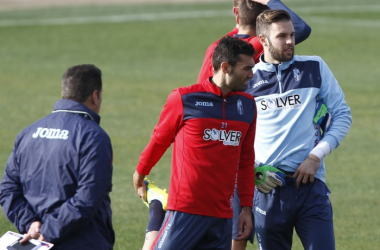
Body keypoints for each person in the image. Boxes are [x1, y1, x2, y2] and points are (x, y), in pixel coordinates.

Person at [133, 36, 257, 250]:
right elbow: (160, 140)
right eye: (246, 68)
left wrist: (245, 208)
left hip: (222, 215)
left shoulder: (247, 106)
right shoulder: (184, 98)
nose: (251, 74)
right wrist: (140, 172)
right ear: (226, 67)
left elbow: (246, 161)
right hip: (185, 210)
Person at [244, 9, 352, 250]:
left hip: (311, 187)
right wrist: (251, 171)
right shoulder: (247, 79)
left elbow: (342, 115)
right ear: (263, 40)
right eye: (282, 36)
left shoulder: (315, 67)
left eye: (292, 34)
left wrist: (316, 155)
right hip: (267, 192)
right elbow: (234, 136)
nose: (291, 41)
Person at [0, 64, 115, 250]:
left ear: (64, 93)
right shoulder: (94, 137)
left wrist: (30, 224)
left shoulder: (28, 133)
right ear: (95, 96)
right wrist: (48, 231)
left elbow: (8, 188)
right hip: (83, 243)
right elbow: (88, 197)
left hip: (34, 242)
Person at [197, 0, 312, 84]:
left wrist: (241, 16)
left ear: (236, 12)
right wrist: (270, 1)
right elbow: (301, 28)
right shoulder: (256, 44)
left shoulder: (216, 46)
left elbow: (201, 86)